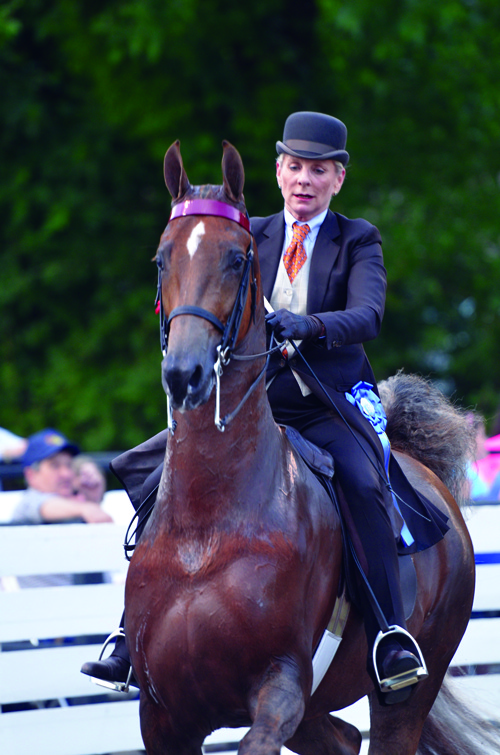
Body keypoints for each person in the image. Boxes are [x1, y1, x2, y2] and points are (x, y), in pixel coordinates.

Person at [82, 112, 449, 703]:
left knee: (361, 480)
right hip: (254, 400)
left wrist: (305, 325)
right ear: (278, 171)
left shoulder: (358, 239)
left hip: (326, 403)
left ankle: (389, 633)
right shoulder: (245, 234)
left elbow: (368, 315)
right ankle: (132, 633)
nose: (305, 179)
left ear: (338, 180)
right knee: (160, 469)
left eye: (319, 170)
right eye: (296, 167)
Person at [11, 428, 112, 524]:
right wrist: (86, 507)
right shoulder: (28, 502)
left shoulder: (73, 503)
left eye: (69, 465)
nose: (66, 474)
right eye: (55, 466)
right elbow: (44, 505)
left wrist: (93, 499)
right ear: (31, 475)